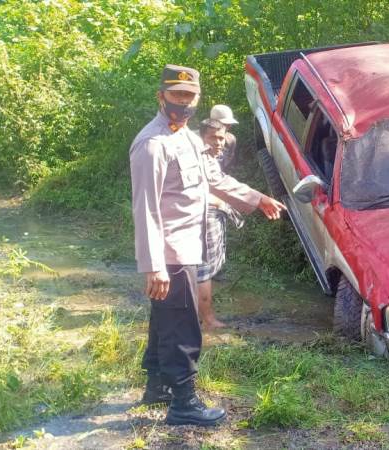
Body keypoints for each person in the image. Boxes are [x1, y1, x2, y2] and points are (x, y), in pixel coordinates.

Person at [129, 64, 286, 426]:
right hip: (171, 253)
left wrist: (257, 197)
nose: (182, 103)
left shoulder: (187, 138)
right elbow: (146, 208)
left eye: (189, 96)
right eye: (175, 95)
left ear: (197, 99)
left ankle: (156, 386)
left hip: (188, 244)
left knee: (163, 320)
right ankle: (184, 403)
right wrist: (153, 265)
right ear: (161, 96)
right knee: (183, 326)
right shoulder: (152, 145)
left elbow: (213, 178)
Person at [196, 118, 236, 329]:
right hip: (204, 216)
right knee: (204, 270)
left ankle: (198, 314)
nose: (220, 142)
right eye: (214, 138)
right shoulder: (198, 156)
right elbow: (197, 193)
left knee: (205, 269)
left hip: (211, 212)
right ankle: (208, 320)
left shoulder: (213, 153)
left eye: (222, 137)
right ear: (202, 136)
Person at [209, 104, 239, 172]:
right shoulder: (198, 138)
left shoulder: (231, 139)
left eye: (229, 124)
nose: (229, 126)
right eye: (225, 123)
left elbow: (230, 157)